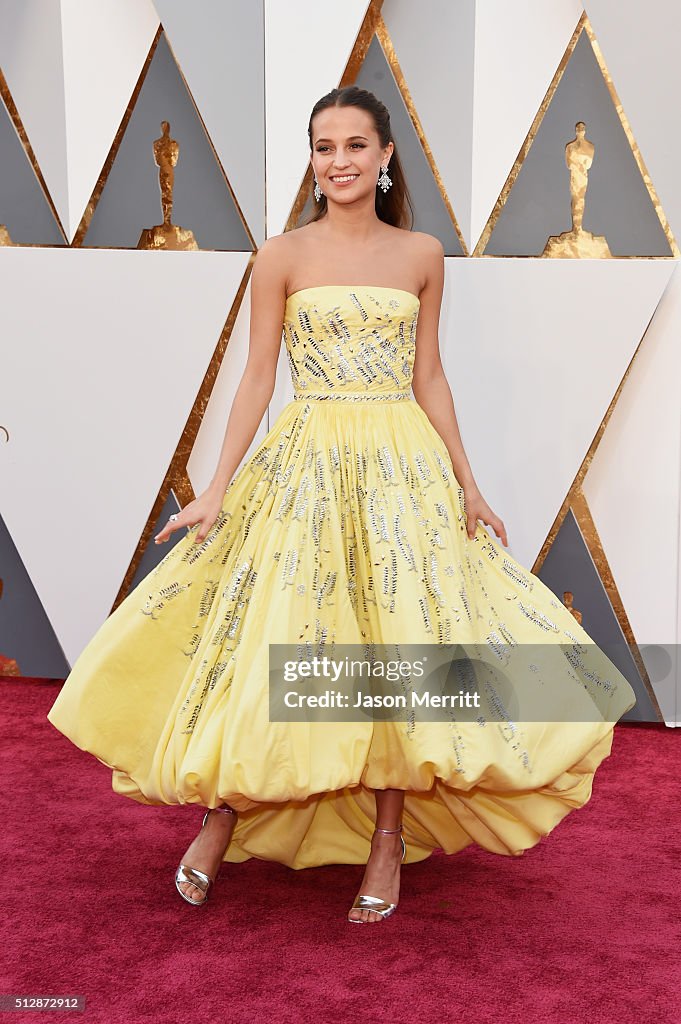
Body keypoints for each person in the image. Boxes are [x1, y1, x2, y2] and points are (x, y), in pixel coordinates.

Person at [47, 85, 637, 925]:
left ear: (385, 156)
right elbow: (255, 376)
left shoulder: (422, 254)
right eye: (323, 147)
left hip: (401, 466)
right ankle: (222, 819)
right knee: (277, 641)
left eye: (355, 145)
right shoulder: (281, 255)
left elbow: (429, 375)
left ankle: (386, 842)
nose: (339, 161)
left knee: (398, 650)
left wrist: (468, 485)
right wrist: (215, 486)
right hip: (307, 462)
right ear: (312, 160)